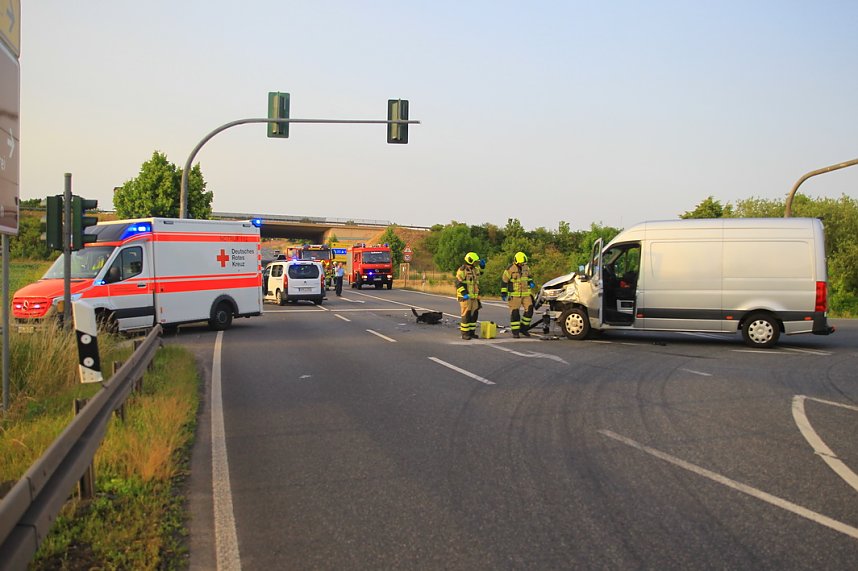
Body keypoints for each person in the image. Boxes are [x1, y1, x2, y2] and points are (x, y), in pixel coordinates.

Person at [501, 251, 535, 338]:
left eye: (523, 263)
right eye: (521, 263)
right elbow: (504, 282)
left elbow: (529, 276)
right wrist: (503, 292)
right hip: (514, 295)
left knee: (530, 310)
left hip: (526, 294)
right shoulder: (510, 269)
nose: (522, 264)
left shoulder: (526, 267)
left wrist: (531, 282)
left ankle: (524, 328)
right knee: (515, 313)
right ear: (516, 262)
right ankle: (515, 332)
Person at [455, 252, 483, 340]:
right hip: (465, 297)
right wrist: (464, 294)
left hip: (474, 297)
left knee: (474, 314)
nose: (476, 264)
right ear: (470, 261)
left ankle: (471, 332)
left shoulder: (475, 269)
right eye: (475, 262)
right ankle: (465, 333)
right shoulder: (462, 270)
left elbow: (480, 274)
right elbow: (458, 283)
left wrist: (482, 267)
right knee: (466, 314)